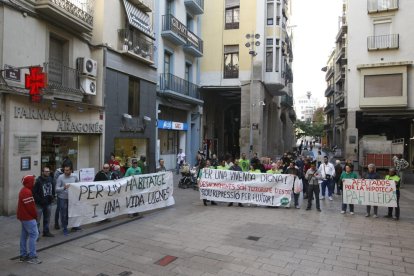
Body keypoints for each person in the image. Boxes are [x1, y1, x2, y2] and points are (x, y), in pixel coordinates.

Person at [17, 175, 42, 264]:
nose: (34, 182)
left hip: (24, 217)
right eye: (33, 180)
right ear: (29, 182)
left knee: (24, 235)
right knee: (34, 234)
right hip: (28, 217)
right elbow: (31, 208)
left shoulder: (24, 190)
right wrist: (35, 216)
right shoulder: (27, 192)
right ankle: (32, 256)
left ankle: (23, 255)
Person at [55, 165, 79, 235]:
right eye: (65, 170)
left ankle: (73, 226)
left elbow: (78, 185)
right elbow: (56, 189)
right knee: (64, 213)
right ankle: (64, 227)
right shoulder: (60, 177)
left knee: (72, 212)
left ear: (71, 170)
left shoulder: (75, 176)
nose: (66, 172)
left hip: (72, 198)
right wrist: (64, 188)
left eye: (67, 170)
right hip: (62, 198)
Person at [33, 167, 55, 238]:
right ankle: (36, 234)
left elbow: (53, 189)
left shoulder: (50, 179)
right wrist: (40, 200)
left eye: (48, 171)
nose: (48, 173)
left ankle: (46, 232)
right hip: (39, 204)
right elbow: (34, 193)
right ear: (42, 172)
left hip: (48, 203)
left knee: (47, 218)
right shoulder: (38, 181)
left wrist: (53, 196)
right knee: (37, 221)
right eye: (46, 171)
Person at [53, 157, 72, 230]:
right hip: (60, 194)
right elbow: (56, 184)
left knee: (66, 210)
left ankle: (65, 223)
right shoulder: (58, 173)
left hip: (68, 195)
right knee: (58, 209)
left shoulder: (71, 173)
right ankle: (56, 223)